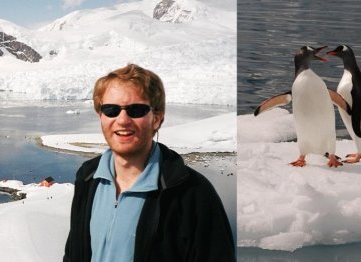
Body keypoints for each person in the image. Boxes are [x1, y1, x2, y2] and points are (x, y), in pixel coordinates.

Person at [63, 64, 235, 262]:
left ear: (157, 119)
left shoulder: (192, 193)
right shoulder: (88, 177)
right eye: (111, 110)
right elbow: (74, 253)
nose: (122, 120)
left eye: (136, 110)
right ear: (100, 116)